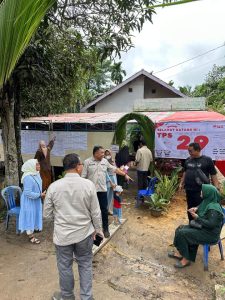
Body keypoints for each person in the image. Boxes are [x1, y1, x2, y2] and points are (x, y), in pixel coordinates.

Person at [44, 153, 103, 300]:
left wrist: (60, 220)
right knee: (85, 264)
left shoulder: (53, 187)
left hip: (63, 236)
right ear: (77, 167)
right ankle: (87, 297)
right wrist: (98, 230)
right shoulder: (88, 185)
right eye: (81, 164)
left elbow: (46, 215)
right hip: (84, 234)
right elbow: (95, 212)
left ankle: (67, 296)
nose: (82, 166)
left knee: (64, 267)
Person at [82, 145, 132, 238]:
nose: (103, 154)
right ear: (95, 153)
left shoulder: (105, 161)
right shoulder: (87, 162)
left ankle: (105, 229)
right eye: (101, 153)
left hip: (102, 190)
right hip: (91, 191)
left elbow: (115, 169)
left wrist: (125, 174)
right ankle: (92, 231)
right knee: (91, 211)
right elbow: (83, 177)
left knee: (104, 210)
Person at [169, 184, 224, 268]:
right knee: (180, 229)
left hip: (209, 234)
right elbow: (202, 206)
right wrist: (196, 208)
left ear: (208, 193)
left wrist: (197, 218)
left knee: (184, 233)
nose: (201, 192)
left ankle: (186, 259)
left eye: (203, 191)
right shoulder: (208, 201)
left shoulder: (214, 208)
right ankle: (181, 253)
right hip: (203, 228)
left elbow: (211, 224)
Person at [179, 142, 220, 221]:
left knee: (200, 208)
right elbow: (185, 172)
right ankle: (191, 223)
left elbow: (213, 174)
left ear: (198, 150)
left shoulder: (207, 160)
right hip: (189, 189)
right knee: (190, 208)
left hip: (202, 191)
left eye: (191, 151)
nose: (189, 153)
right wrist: (181, 183)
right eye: (188, 151)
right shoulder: (188, 160)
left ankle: (200, 225)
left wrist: (216, 188)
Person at [19, 159, 45, 244]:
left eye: (38, 164)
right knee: (29, 215)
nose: (39, 166)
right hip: (29, 200)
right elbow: (27, 193)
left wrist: (40, 194)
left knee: (34, 214)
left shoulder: (36, 174)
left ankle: (32, 229)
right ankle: (31, 236)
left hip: (36, 199)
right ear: (31, 166)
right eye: (37, 165)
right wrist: (39, 195)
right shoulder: (28, 177)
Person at [104, 149, 117, 214]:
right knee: (106, 195)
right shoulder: (104, 162)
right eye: (106, 154)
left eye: (108, 154)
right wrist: (110, 181)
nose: (107, 155)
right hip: (108, 180)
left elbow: (115, 169)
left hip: (113, 178)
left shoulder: (113, 161)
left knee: (111, 196)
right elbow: (105, 172)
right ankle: (105, 209)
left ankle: (109, 209)